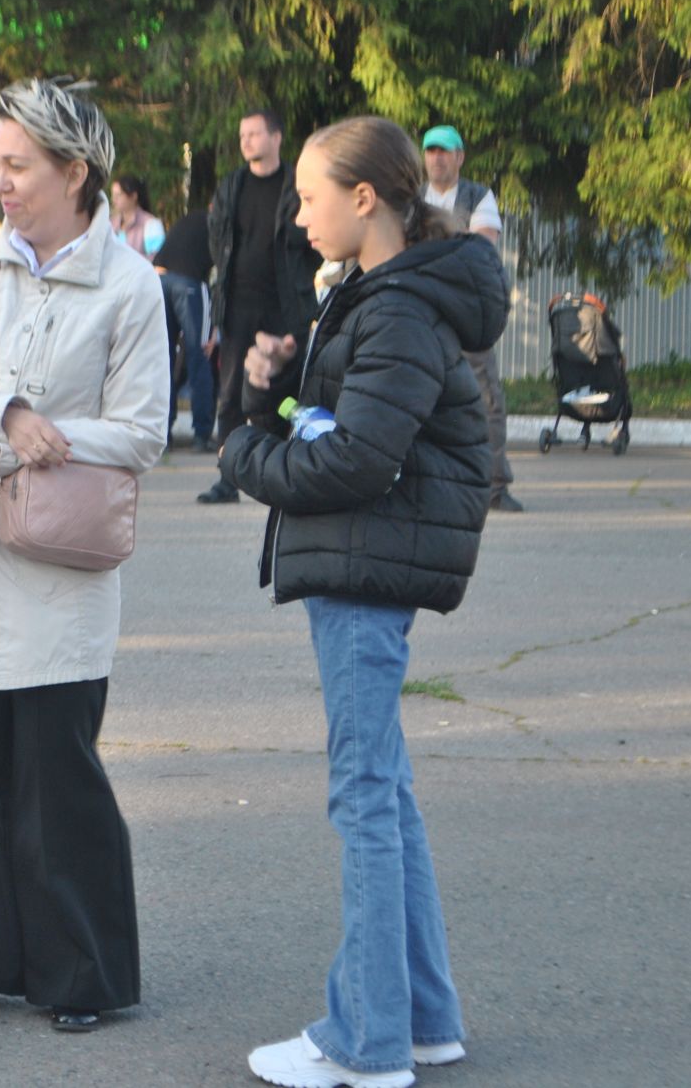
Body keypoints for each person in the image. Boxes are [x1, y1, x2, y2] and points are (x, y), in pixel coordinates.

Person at [219, 116, 501, 1088]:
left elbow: (356, 457)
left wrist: (243, 455)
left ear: (366, 198)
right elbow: (333, 419)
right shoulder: (377, 297)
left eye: (309, 196)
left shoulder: (400, 309)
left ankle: (366, 1041)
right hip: (361, 560)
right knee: (388, 791)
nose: (297, 216)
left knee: (366, 798)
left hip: (363, 568)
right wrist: (269, 393)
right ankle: (423, 1019)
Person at [0, 77, 170, 1034]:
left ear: (74, 172)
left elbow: (142, 434)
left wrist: (21, 445)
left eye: (17, 164)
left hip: (55, 554)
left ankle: (81, 969)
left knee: (57, 768)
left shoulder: (130, 285)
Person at [198, 109, 322, 503]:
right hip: (238, 304)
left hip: (286, 306)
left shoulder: (294, 184)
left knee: (294, 390)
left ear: (276, 137)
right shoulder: (232, 184)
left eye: (254, 133)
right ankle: (228, 476)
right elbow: (217, 237)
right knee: (231, 394)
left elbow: (312, 240)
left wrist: (301, 277)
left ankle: (295, 469)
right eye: (242, 135)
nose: (246, 141)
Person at [422, 125, 521, 513]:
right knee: (418, 398)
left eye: (445, 151)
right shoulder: (411, 199)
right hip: (424, 312)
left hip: (467, 313)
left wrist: (430, 250)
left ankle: (496, 488)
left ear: (460, 157)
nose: (437, 158)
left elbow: (480, 250)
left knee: (486, 400)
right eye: (431, 151)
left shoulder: (479, 197)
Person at [152, 207, 217, 451]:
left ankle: (163, 434)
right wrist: (214, 330)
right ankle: (201, 434)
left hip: (159, 279)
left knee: (163, 359)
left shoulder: (191, 218)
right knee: (198, 354)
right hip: (189, 282)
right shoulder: (220, 223)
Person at [109, 175, 165, 258]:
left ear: (134, 196)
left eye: (119, 195)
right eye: (113, 195)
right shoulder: (111, 223)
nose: (114, 199)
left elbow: (157, 258)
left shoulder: (151, 224)